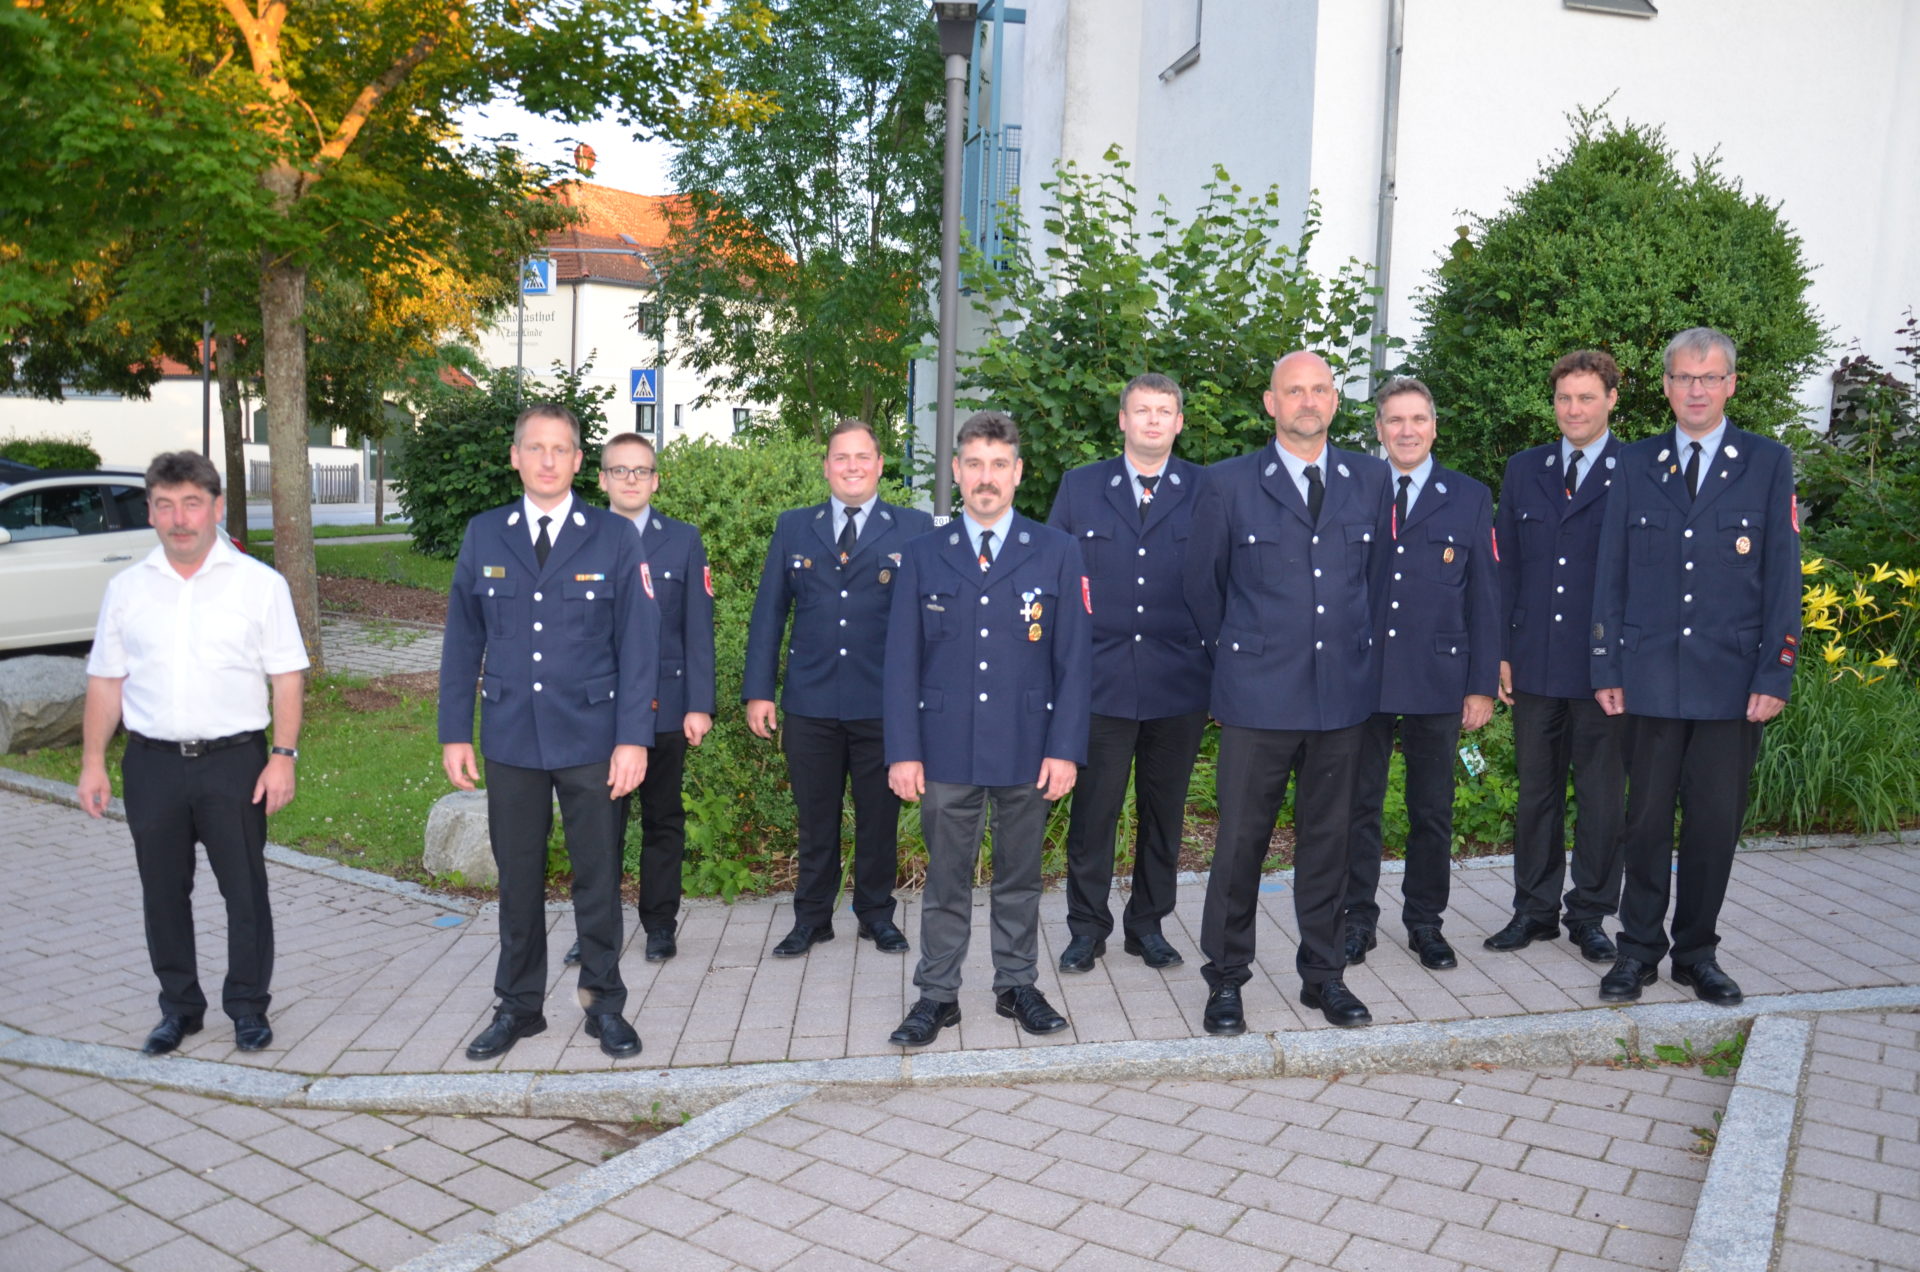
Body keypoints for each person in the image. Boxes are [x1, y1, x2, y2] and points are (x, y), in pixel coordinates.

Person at [439, 403, 659, 1060]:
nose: (546, 460)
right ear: (515, 457)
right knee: (519, 878)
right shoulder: (485, 535)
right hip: (512, 738)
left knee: (597, 874)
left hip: (593, 737)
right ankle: (519, 1006)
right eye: (534, 448)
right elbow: (462, 641)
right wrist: (456, 733)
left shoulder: (614, 537)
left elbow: (639, 647)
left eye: (559, 449)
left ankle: (604, 1005)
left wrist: (632, 740)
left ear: (577, 463)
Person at [1590, 327, 1801, 1006]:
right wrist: (1605, 663)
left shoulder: (1767, 464)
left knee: (1713, 825)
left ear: (1732, 384)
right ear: (1666, 386)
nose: (1697, 390)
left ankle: (1698, 955)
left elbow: (1781, 579)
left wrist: (1775, 673)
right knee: (1645, 822)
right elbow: (1610, 574)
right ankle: (1637, 952)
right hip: (1649, 679)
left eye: (1710, 378)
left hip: (1730, 684)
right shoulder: (1634, 464)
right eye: (1684, 378)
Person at [1184, 351, 1393, 1032]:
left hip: (1342, 698)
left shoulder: (1370, 478)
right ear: (1270, 403)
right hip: (1257, 698)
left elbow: (1378, 582)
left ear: (1336, 401)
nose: (1308, 401)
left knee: (1330, 842)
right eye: (1293, 390)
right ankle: (1226, 979)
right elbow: (1200, 586)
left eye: (1320, 389)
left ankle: (1324, 975)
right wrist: (1241, 658)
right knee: (1240, 842)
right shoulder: (1227, 484)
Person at [78, 451, 308, 1056]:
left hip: (235, 762)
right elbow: (106, 681)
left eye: (191, 504)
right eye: (165, 505)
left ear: (216, 507)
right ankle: (179, 1008)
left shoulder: (260, 585)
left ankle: (248, 1008)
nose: (179, 519)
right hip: (151, 764)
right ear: (151, 511)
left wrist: (282, 755)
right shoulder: (127, 590)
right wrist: (93, 761)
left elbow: (287, 677)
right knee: (162, 892)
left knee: (245, 890)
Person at [883, 410, 1092, 1046]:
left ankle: (1016, 985)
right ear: (956, 471)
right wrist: (903, 751)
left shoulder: (1055, 550)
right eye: (974, 464)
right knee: (946, 878)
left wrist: (1065, 750)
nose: (985, 477)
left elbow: (1074, 660)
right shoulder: (924, 554)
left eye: (999, 465)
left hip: (1028, 747)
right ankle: (938, 995)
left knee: (1020, 876)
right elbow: (899, 661)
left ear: (1018, 473)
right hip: (943, 747)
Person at [744, 418, 932, 957]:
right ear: (826, 466)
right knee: (815, 818)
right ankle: (812, 918)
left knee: (880, 819)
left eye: (862, 457)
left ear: (879, 464)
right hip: (812, 701)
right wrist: (760, 690)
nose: (852, 467)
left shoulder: (913, 529)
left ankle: (876, 915)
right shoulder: (794, 526)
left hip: (883, 703)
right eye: (841, 458)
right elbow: (769, 613)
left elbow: (929, 621)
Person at [1045, 373, 1210, 973]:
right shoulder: (1082, 487)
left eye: (1165, 411)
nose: (1153, 421)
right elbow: (1055, 583)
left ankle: (1148, 925)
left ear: (1179, 423)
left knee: (1164, 814)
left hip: (1179, 682)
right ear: (1122, 420)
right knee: (1095, 815)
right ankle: (1087, 929)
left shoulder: (1205, 489)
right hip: (1100, 683)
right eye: (1142, 411)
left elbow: (1223, 582)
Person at [1341, 377, 1499, 973]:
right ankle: (1357, 919)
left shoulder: (1469, 495)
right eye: (1394, 420)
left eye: (1417, 420)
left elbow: (1485, 595)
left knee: (1431, 809)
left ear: (1434, 426)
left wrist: (1481, 683)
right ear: (1378, 430)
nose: (1406, 431)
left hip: (1439, 677)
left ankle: (1425, 923)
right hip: (1365, 677)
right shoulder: (1356, 490)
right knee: (1360, 806)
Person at [1487, 350, 1629, 963]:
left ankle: (1591, 914)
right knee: (1536, 792)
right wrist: (1500, 651)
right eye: (1565, 399)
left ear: (1612, 401)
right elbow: (1506, 565)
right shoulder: (1526, 468)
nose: (1574, 410)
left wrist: (1624, 660)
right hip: (1535, 660)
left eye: (1586, 398)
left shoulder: (1637, 468)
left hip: (1603, 669)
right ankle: (1534, 909)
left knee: (1601, 797)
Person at [561, 433, 714, 968]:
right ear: (600, 478)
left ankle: (659, 925)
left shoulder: (683, 540)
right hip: (596, 709)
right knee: (598, 828)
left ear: (655, 480)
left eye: (641, 471)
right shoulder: (577, 539)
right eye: (619, 470)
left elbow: (698, 626)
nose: (630, 479)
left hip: (666, 705)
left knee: (663, 820)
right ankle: (595, 931)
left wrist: (700, 704)